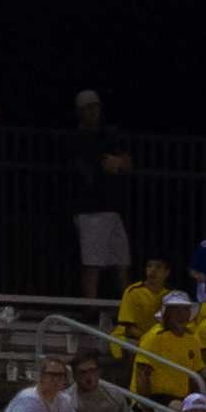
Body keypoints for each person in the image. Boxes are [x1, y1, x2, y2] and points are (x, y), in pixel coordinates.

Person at [70, 90, 133, 299]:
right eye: (87, 107)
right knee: (93, 262)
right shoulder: (78, 138)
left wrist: (120, 163)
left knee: (121, 260)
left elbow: (126, 162)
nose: (93, 111)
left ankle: (126, 308)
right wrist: (110, 165)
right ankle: (90, 307)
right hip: (91, 210)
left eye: (95, 106)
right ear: (80, 112)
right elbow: (92, 169)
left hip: (113, 208)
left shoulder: (109, 134)